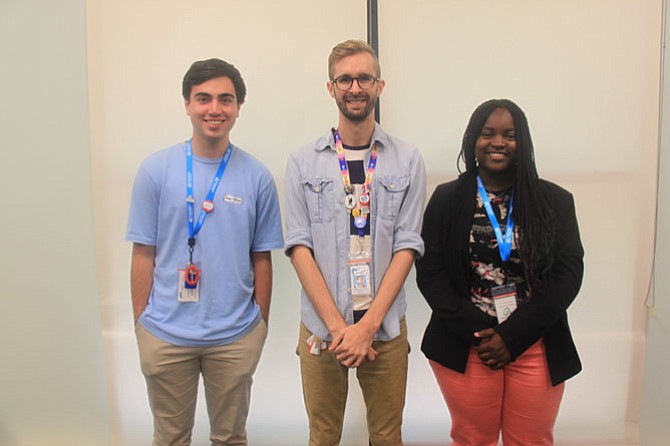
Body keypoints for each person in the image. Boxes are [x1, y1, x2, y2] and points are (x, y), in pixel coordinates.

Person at [125, 58, 284, 446]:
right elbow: (143, 253)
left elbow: (262, 258)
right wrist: (142, 325)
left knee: (230, 438)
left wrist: (258, 327)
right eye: (204, 98)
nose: (215, 109)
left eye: (225, 99)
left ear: (238, 108)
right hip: (165, 333)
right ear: (187, 104)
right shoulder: (155, 171)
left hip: (233, 335)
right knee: (170, 438)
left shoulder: (257, 176)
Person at [416, 98, 584, 446]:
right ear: (472, 140)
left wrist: (513, 336)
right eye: (488, 133)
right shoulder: (446, 199)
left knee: (531, 440)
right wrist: (483, 334)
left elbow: (568, 274)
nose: (498, 142)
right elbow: (430, 272)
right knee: (473, 439)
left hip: (535, 342)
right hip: (467, 343)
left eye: (509, 135)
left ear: (522, 143)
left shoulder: (554, 201)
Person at [283, 39, 426, 446]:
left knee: (386, 436)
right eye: (344, 79)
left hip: (384, 329)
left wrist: (367, 326)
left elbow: (407, 246)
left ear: (380, 86)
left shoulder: (407, 160)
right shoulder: (302, 162)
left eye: (364, 78)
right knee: (323, 436)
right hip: (320, 329)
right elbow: (298, 248)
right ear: (331, 88)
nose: (355, 87)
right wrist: (337, 327)